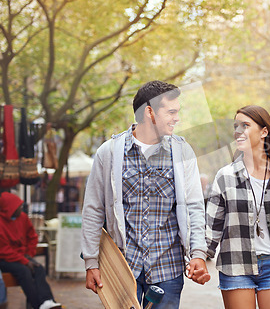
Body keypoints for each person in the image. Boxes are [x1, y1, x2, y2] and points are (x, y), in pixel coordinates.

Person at [81, 80, 210, 309]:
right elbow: (93, 208)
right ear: (149, 112)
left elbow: (194, 207)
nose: (176, 118)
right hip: (123, 266)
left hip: (168, 268)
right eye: (171, 112)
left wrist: (198, 253)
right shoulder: (109, 152)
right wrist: (91, 262)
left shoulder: (182, 152)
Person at [206, 105, 270, 309]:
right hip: (235, 265)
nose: (238, 131)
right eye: (236, 126)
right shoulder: (225, 176)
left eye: (245, 125)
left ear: (264, 131)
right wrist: (199, 258)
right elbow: (212, 228)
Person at [0, 192, 61, 309]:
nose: (20, 208)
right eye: (18, 206)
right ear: (10, 208)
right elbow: (3, 251)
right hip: (2, 260)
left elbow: (32, 237)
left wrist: (29, 254)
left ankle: (47, 300)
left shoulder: (23, 218)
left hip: (22, 256)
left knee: (38, 268)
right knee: (24, 271)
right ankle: (38, 305)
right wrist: (25, 261)